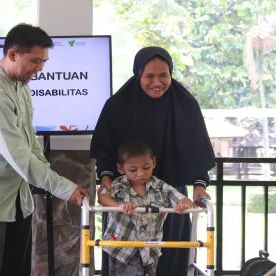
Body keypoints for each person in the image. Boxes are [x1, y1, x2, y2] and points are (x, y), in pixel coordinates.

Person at [0, 23, 89, 276]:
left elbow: (30, 143)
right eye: (35, 61)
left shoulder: (20, 87)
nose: (40, 68)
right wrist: (65, 188)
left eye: (44, 61)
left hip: (14, 200)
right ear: (12, 54)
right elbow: (18, 155)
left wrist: (48, 175)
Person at [90, 46, 215, 276]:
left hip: (169, 204)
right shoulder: (117, 106)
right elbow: (105, 152)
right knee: (122, 266)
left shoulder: (185, 106)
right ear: (138, 74)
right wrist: (106, 179)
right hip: (125, 204)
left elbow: (197, 152)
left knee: (170, 264)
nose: (157, 82)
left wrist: (199, 187)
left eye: (163, 75)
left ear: (171, 74)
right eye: (149, 76)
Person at [98, 141, 193, 276]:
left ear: (153, 162)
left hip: (150, 251)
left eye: (146, 167)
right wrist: (119, 206)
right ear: (120, 168)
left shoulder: (161, 187)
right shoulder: (118, 185)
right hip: (121, 250)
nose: (140, 173)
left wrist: (184, 204)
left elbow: (183, 199)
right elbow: (102, 197)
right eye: (133, 170)